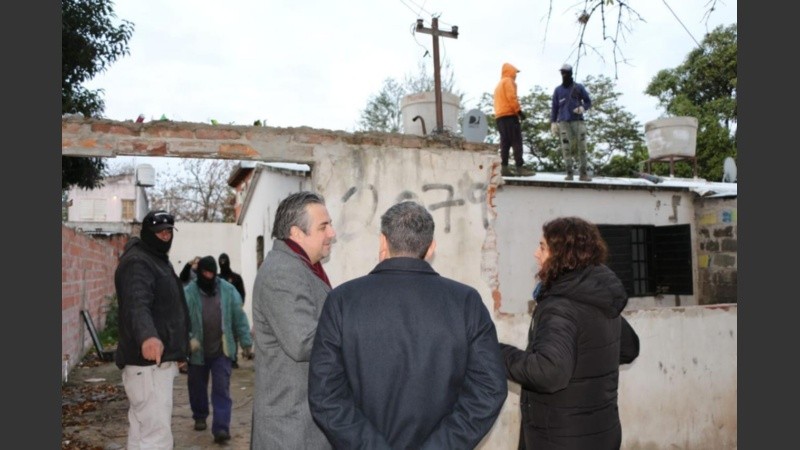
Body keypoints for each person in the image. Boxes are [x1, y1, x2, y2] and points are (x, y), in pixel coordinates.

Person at [308, 200, 508, 449]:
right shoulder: (465, 302)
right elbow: (489, 389)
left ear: (383, 242)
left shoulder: (342, 300)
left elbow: (325, 395)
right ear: (431, 247)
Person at [498, 216, 639, 449]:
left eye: (543, 247)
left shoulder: (560, 306)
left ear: (563, 253)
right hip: (602, 433)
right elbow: (629, 348)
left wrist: (496, 352)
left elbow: (549, 372)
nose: (536, 253)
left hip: (561, 439)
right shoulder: (599, 297)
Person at [250, 191, 337, 450]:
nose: (332, 233)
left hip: (301, 421)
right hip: (290, 427)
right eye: (324, 226)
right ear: (297, 232)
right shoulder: (283, 272)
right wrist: (354, 331)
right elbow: (303, 343)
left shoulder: (300, 266)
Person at [114, 210, 190, 450]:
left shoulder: (154, 258)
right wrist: (148, 336)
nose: (165, 236)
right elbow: (137, 302)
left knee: (141, 434)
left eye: (169, 230)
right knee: (156, 437)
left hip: (153, 365)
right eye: (159, 231)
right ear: (148, 233)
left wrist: (177, 352)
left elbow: (166, 309)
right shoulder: (139, 262)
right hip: (148, 367)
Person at [184, 255, 253, 445]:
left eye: (211, 273)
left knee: (221, 389)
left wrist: (246, 342)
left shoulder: (228, 291)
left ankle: (221, 427)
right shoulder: (189, 293)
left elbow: (239, 317)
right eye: (205, 273)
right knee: (197, 386)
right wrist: (188, 341)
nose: (208, 276)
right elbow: (181, 321)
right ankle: (199, 415)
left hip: (222, 350)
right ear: (199, 274)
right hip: (197, 351)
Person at [550, 63, 592, 181]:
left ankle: (583, 174)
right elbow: (554, 107)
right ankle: (569, 173)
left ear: (570, 73)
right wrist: (553, 122)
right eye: (562, 72)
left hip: (578, 121)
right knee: (566, 148)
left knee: (582, 147)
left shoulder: (578, 87)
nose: (563, 74)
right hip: (563, 122)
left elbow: (588, 101)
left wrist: (583, 108)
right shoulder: (558, 90)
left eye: (566, 72)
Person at [494, 62, 535, 177]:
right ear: (510, 71)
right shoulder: (508, 81)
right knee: (516, 141)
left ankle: (504, 167)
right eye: (515, 72)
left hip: (499, 117)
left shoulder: (499, 85)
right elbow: (512, 97)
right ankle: (520, 167)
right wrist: (519, 112)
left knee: (505, 142)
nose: (516, 75)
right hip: (509, 116)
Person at [218, 252, 246, 368]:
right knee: (223, 336)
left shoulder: (235, 278)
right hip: (221, 312)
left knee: (234, 335)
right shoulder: (217, 278)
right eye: (221, 262)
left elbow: (241, 293)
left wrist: (238, 307)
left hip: (233, 312)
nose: (223, 264)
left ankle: (233, 358)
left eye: (225, 261)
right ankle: (224, 357)